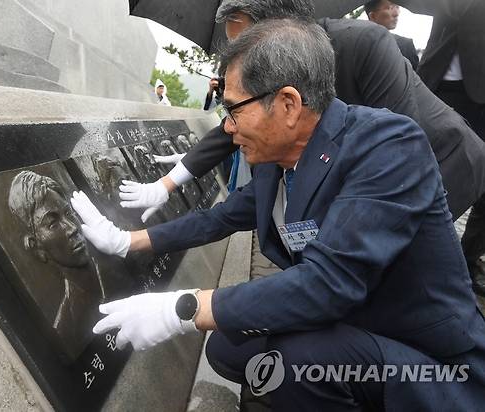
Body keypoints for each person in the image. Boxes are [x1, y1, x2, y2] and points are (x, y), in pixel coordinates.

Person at [72, 19, 485, 409]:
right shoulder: (277, 161)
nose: (228, 127)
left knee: (296, 363)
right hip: (351, 322)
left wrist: (182, 308)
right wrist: (127, 242)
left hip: (425, 357)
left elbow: (327, 283)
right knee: (227, 348)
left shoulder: (389, 145)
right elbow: (220, 218)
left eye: (233, 109)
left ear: (287, 104)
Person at [118, 0, 485, 289]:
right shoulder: (271, 85)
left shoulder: (362, 45)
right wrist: (166, 184)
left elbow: (400, 147)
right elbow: (235, 124)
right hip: (362, 172)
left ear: (280, 28)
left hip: (441, 163)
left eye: (247, 42)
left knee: (390, 280)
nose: (241, 57)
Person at [403, 0, 485, 295]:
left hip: (481, 94)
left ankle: (468, 256)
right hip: (437, 87)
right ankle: (415, 250)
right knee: (422, 171)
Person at [8, 170, 106, 361]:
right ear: (37, 247)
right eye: (53, 224)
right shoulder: (67, 328)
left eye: (68, 213)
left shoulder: (115, 266)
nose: (72, 228)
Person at [364, 0, 419, 69]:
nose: (396, 13)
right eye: (390, 8)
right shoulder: (361, 47)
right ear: (373, 16)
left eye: (397, 7)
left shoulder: (406, 45)